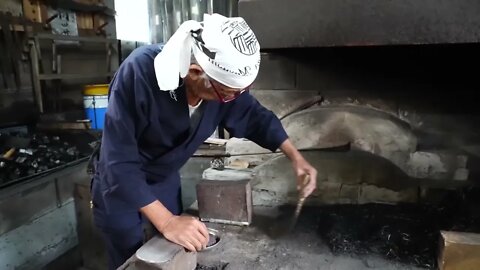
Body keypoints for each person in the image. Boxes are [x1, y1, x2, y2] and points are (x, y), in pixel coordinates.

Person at [91, 13, 318, 269]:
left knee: (172, 252)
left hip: (163, 179)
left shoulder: (220, 84)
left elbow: (254, 116)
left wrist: (296, 158)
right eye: (230, 93)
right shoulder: (140, 73)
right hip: (121, 183)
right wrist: (166, 221)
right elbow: (119, 162)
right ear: (196, 72)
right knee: (131, 257)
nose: (234, 99)